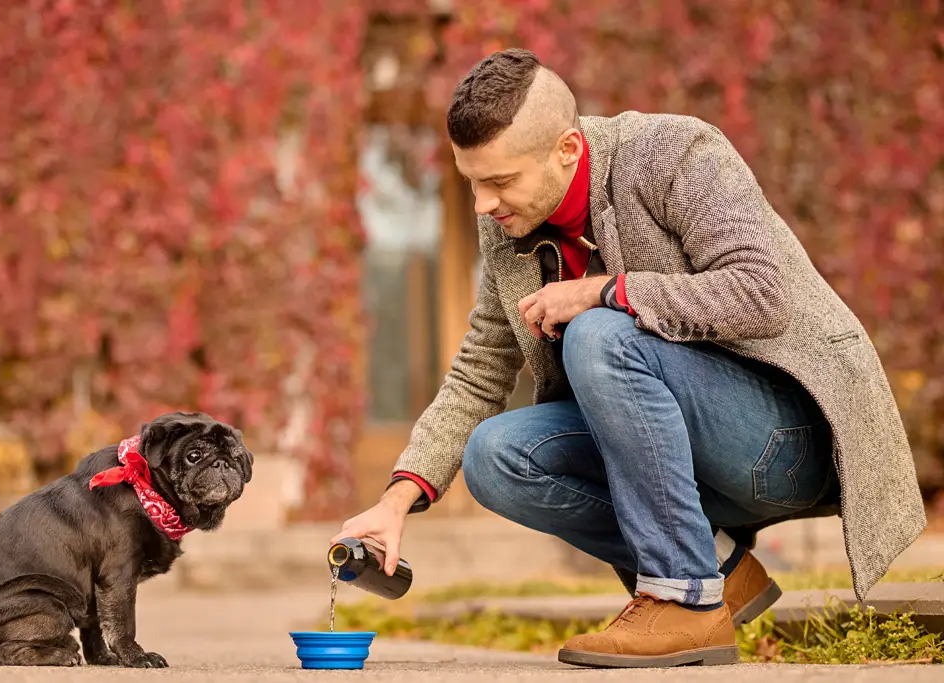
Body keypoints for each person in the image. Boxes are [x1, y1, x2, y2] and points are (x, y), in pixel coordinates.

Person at [332, 48, 925, 668]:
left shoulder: (672, 153)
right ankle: (720, 568)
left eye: (500, 182)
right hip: (681, 462)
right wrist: (396, 499)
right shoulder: (511, 220)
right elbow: (480, 368)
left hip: (786, 441)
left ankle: (684, 598)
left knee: (598, 334)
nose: (483, 204)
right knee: (496, 456)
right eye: (472, 182)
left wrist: (605, 291)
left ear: (567, 149)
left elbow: (763, 293)